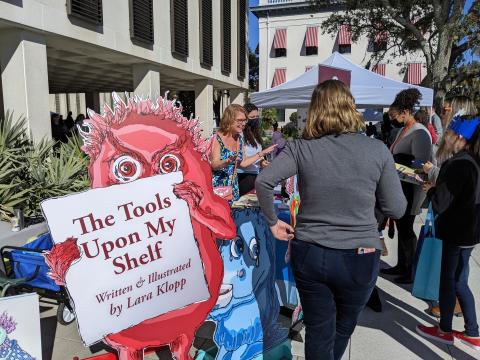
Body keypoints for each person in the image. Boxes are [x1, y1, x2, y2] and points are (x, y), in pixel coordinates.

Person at [255, 80, 407, 360]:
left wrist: (272, 222)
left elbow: (264, 180)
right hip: (360, 255)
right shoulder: (377, 151)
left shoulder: (302, 148)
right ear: (351, 108)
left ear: (315, 111)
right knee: (343, 328)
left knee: (318, 329)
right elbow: (396, 208)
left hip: (311, 252)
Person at [416, 114, 480, 350]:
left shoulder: (458, 163)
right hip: (470, 231)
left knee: (450, 280)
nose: (447, 138)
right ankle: (472, 332)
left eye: (450, 134)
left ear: (459, 136)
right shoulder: (473, 160)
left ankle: (445, 329)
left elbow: (441, 203)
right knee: (460, 280)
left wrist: (431, 190)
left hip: (457, 230)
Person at [381, 88, 432, 284]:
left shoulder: (419, 132)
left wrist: (397, 165)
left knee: (407, 229)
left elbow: (422, 164)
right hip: (401, 186)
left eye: (395, 115)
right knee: (403, 228)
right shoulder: (405, 129)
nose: (393, 118)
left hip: (412, 189)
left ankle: (410, 270)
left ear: (405, 112)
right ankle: (402, 266)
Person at [210, 104, 276, 203]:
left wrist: (261, 154)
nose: (243, 123)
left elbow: (243, 163)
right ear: (229, 120)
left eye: (244, 120)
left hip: (233, 187)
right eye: (239, 120)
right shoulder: (217, 138)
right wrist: (226, 162)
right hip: (218, 187)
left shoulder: (239, 139)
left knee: (233, 216)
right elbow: (214, 165)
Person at [237, 103, 269, 196]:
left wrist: (261, 162)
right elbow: (243, 161)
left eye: (257, 116)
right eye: (252, 117)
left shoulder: (255, 134)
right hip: (243, 176)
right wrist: (261, 154)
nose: (255, 119)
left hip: (255, 174)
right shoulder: (240, 134)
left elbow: (256, 155)